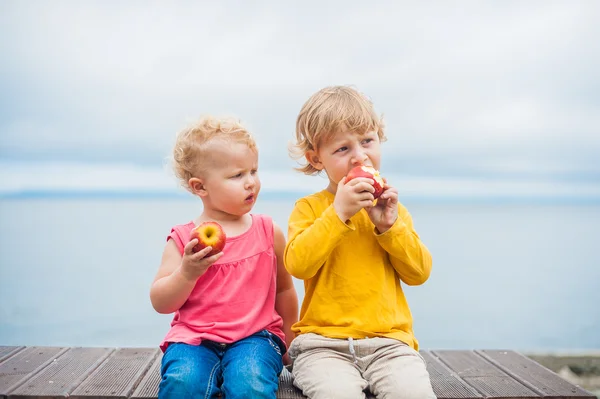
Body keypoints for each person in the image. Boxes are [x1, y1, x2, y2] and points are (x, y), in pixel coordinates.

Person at [285, 86, 436, 399]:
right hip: (323, 346)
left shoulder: (392, 211)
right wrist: (338, 214)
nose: (360, 155)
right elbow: (298, 265)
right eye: (342, 149)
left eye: (367, 141)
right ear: (316, 159)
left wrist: (389, 227)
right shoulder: (310, 209)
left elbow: (419, 273)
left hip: (390, 345)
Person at [150, 116, 298, 399]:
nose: (251, 183)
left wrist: (291, 342)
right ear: (200, 187)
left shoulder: (268, 231)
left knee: (250, 382)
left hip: (255, 338)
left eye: (253, 171)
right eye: (237, 175)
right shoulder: (185, 239)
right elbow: (160, 302)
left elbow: (284, 289)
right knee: (183, 382)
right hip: (194, 340)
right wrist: (186, 273)